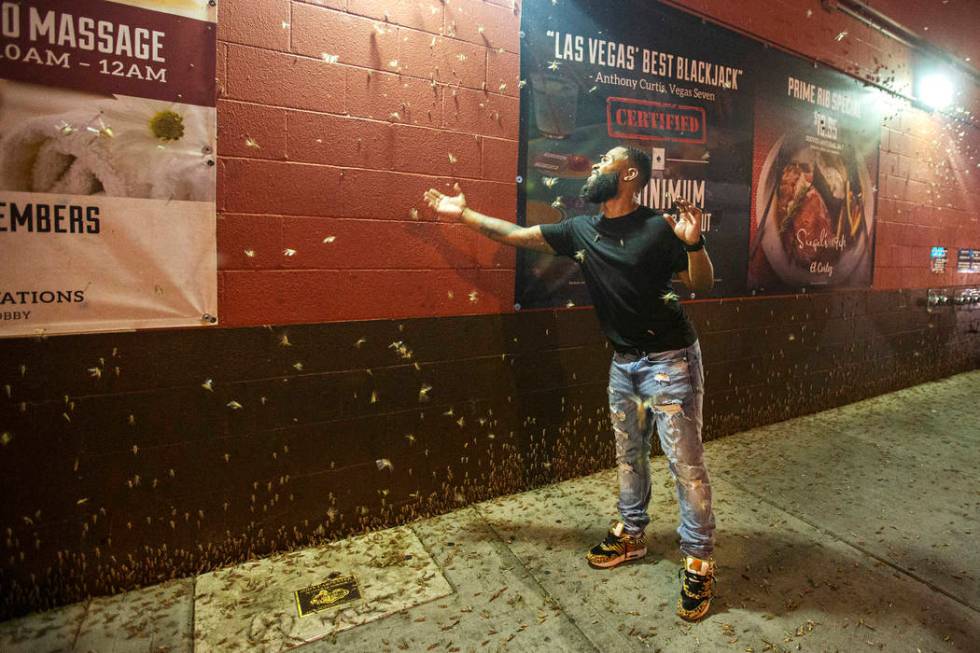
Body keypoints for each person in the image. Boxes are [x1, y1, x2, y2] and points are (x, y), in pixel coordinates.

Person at [424, 145, 717, 621]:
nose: (596, 164)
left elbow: (701, 283)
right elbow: (518, 235)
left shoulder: (656, 229)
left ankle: (700, 558)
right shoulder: (581, 229)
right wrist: (464, 214)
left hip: (670, 361)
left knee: (685, 464)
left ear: (629, 174)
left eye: (606, 161)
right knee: (629, 456)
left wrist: (695, 244)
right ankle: (632, 533)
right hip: (624, 364)